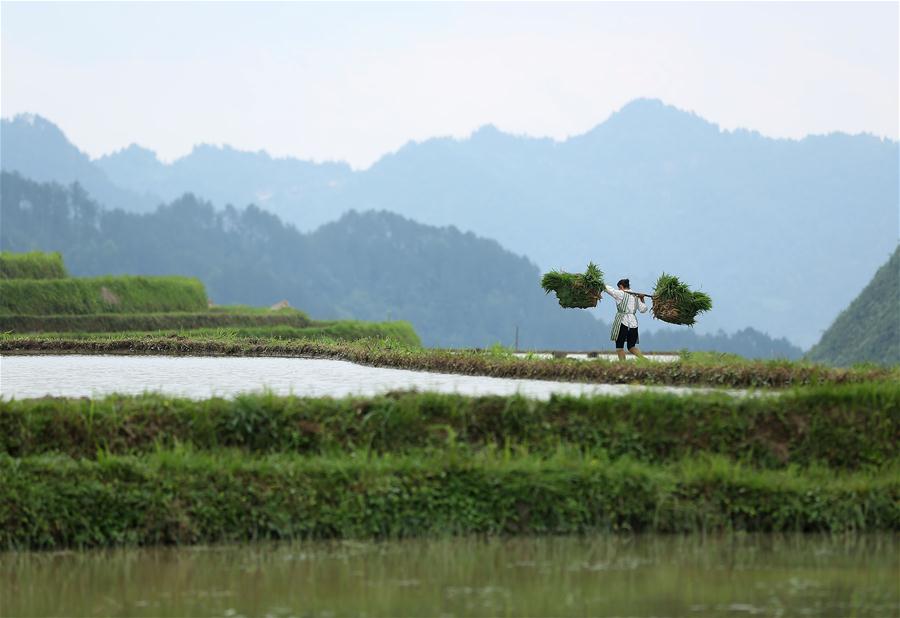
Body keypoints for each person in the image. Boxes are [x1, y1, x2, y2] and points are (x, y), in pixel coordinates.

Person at [603, 278, 648, 361]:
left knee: (619, 347)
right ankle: (645, 360)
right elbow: (643, 310)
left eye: (619, 288)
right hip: (634, 323)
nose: (618, 290)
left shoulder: (621, 294)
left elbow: (609, 290)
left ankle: (623, 365)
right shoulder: (636, 296)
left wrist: (601, 284)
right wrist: (642, 298)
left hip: (623, 322)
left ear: (621, 286)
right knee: (631, 347)